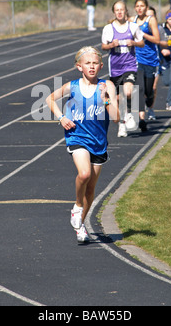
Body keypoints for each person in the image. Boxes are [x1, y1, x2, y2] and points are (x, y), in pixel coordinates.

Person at [46, 46, 119, 244]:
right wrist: (61, 117)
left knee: (91, 188)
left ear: (101, 65)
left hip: (98, 142)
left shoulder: (108, 86)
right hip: (76, 137)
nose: (92, 66)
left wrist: (105, 100)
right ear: (79, 67)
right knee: (84, 174)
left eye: (95, 63)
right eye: (88, 63)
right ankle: (77, 206)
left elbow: (116, 118)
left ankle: (80, 225)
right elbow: (49, 98)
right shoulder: (72, 86)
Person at [102, 0, 145, 137]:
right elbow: (103, 46)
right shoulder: (108, 28)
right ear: (114, 12)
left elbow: (142, 43)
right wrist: (111, 45)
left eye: (122, 9)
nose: (119, 12)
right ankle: (122, 123)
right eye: (117, 10)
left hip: (130, 65)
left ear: (126, 11)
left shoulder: (133, 27)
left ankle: (130, 114)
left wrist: (133, 42)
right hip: (115, 67)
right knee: (117, 97)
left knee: (127, 91)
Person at [132, 0, 160, 125]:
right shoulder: (132, 20)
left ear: (146, 7)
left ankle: (149, 103)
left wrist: (142, 33)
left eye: (142, 6)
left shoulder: (151, 20)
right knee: (139, 88)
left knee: (149, 91)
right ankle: (140, 118)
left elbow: (157, 40)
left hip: (151, 60)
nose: (139, 8)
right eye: (137, 6)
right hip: (137, 59)